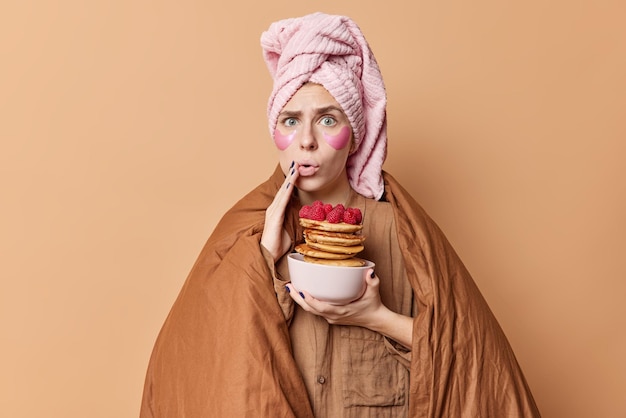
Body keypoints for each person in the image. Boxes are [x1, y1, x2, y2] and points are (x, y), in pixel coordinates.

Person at [140, 12, 540, 418]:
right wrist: (262, 259)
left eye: (327, 120)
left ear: (355, 139)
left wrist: (377, 317)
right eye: (291, 121)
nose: (307, 141)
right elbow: (210, 361)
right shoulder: (249, 232)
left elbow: (469, 364)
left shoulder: (400, 230)